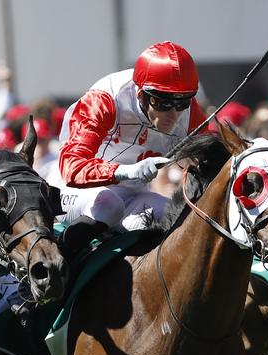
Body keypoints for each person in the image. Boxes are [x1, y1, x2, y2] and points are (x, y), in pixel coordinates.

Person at [56, 41, 205, 253]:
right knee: (108, 205)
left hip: (134, 197)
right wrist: (125, 171)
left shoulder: (189, 113)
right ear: (141, 94)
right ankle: (52, 275)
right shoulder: (104, 100)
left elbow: (218, 158)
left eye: (182, 102)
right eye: (162, 102)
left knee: (185, 219)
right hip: (76, 193)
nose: (173, 114)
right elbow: (72, 167)